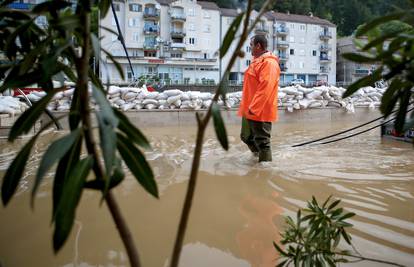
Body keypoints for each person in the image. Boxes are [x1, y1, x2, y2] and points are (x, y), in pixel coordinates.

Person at [238, 35, 280, 162]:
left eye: (251, 45)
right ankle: (257, 157)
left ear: (258, 45)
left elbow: (265, 87)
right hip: (249, 108)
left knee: (262, 142)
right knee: (246, 136)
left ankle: (265, 169)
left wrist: (254, 108)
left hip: (260, 109)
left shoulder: (269, 63)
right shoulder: (256, 61)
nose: (250, 48)